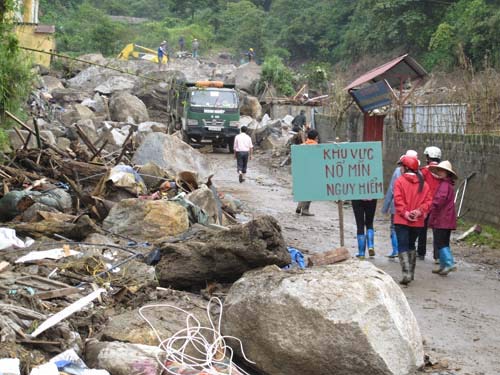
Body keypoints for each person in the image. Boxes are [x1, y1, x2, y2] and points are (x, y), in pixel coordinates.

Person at [393, 155, 432, 285]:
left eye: (401, 166)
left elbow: (398, 200)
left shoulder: (399, 181)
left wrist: (405, 213)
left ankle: (406, 273)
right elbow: (428, 202)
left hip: (402, 220)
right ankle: (411, 273)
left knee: (402, 245)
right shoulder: (424, 184)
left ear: (405, 167)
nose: (400, 168)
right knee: (411, 245)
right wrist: (419, 211)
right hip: (417, 221)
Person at [381, 150, 419, 258]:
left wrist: (385, 207)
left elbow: (391, 190)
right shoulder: (419, 174)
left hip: (397, 206)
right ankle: (406, 250)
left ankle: (396, 250)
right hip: (412, 207)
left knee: (394, 227)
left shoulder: (398, 171)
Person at [427, 161, 458, 276]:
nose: (439, 172)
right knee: (444, 242)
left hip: (442, 218)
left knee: (440, 242)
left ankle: (449, 263)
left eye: (441, 170)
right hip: (447, 218)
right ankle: (444, 265)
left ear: (446, 173)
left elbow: (439, 200)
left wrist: (430, 208)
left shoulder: (444, 185)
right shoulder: (448, 184)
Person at [417, 146, 442, 261]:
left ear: (428, 157)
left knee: (422, 228)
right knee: (437, 231)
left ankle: (421, 252)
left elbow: (420, 188)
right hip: (439, 205)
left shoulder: (423, 171)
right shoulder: (444, 172)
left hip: (426, 204)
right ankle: (437, 256)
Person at [295, 129, 319, 216]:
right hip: (312, 171)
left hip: (302, 171)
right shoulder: (316, 146)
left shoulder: (302, 145)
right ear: (316, 137)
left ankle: (299, 205)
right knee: (310, 191)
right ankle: (305, 210)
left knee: (303, 189)